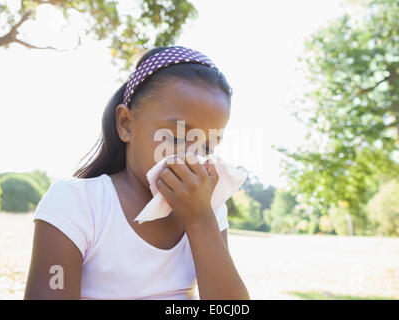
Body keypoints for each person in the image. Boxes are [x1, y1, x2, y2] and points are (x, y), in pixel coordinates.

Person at [24, 45, 250, 300]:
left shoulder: (210, 209)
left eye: (207, 146)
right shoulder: (79, 203)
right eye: (176, 136)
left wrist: (200, 219)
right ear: (126, 124)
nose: (192, 157)